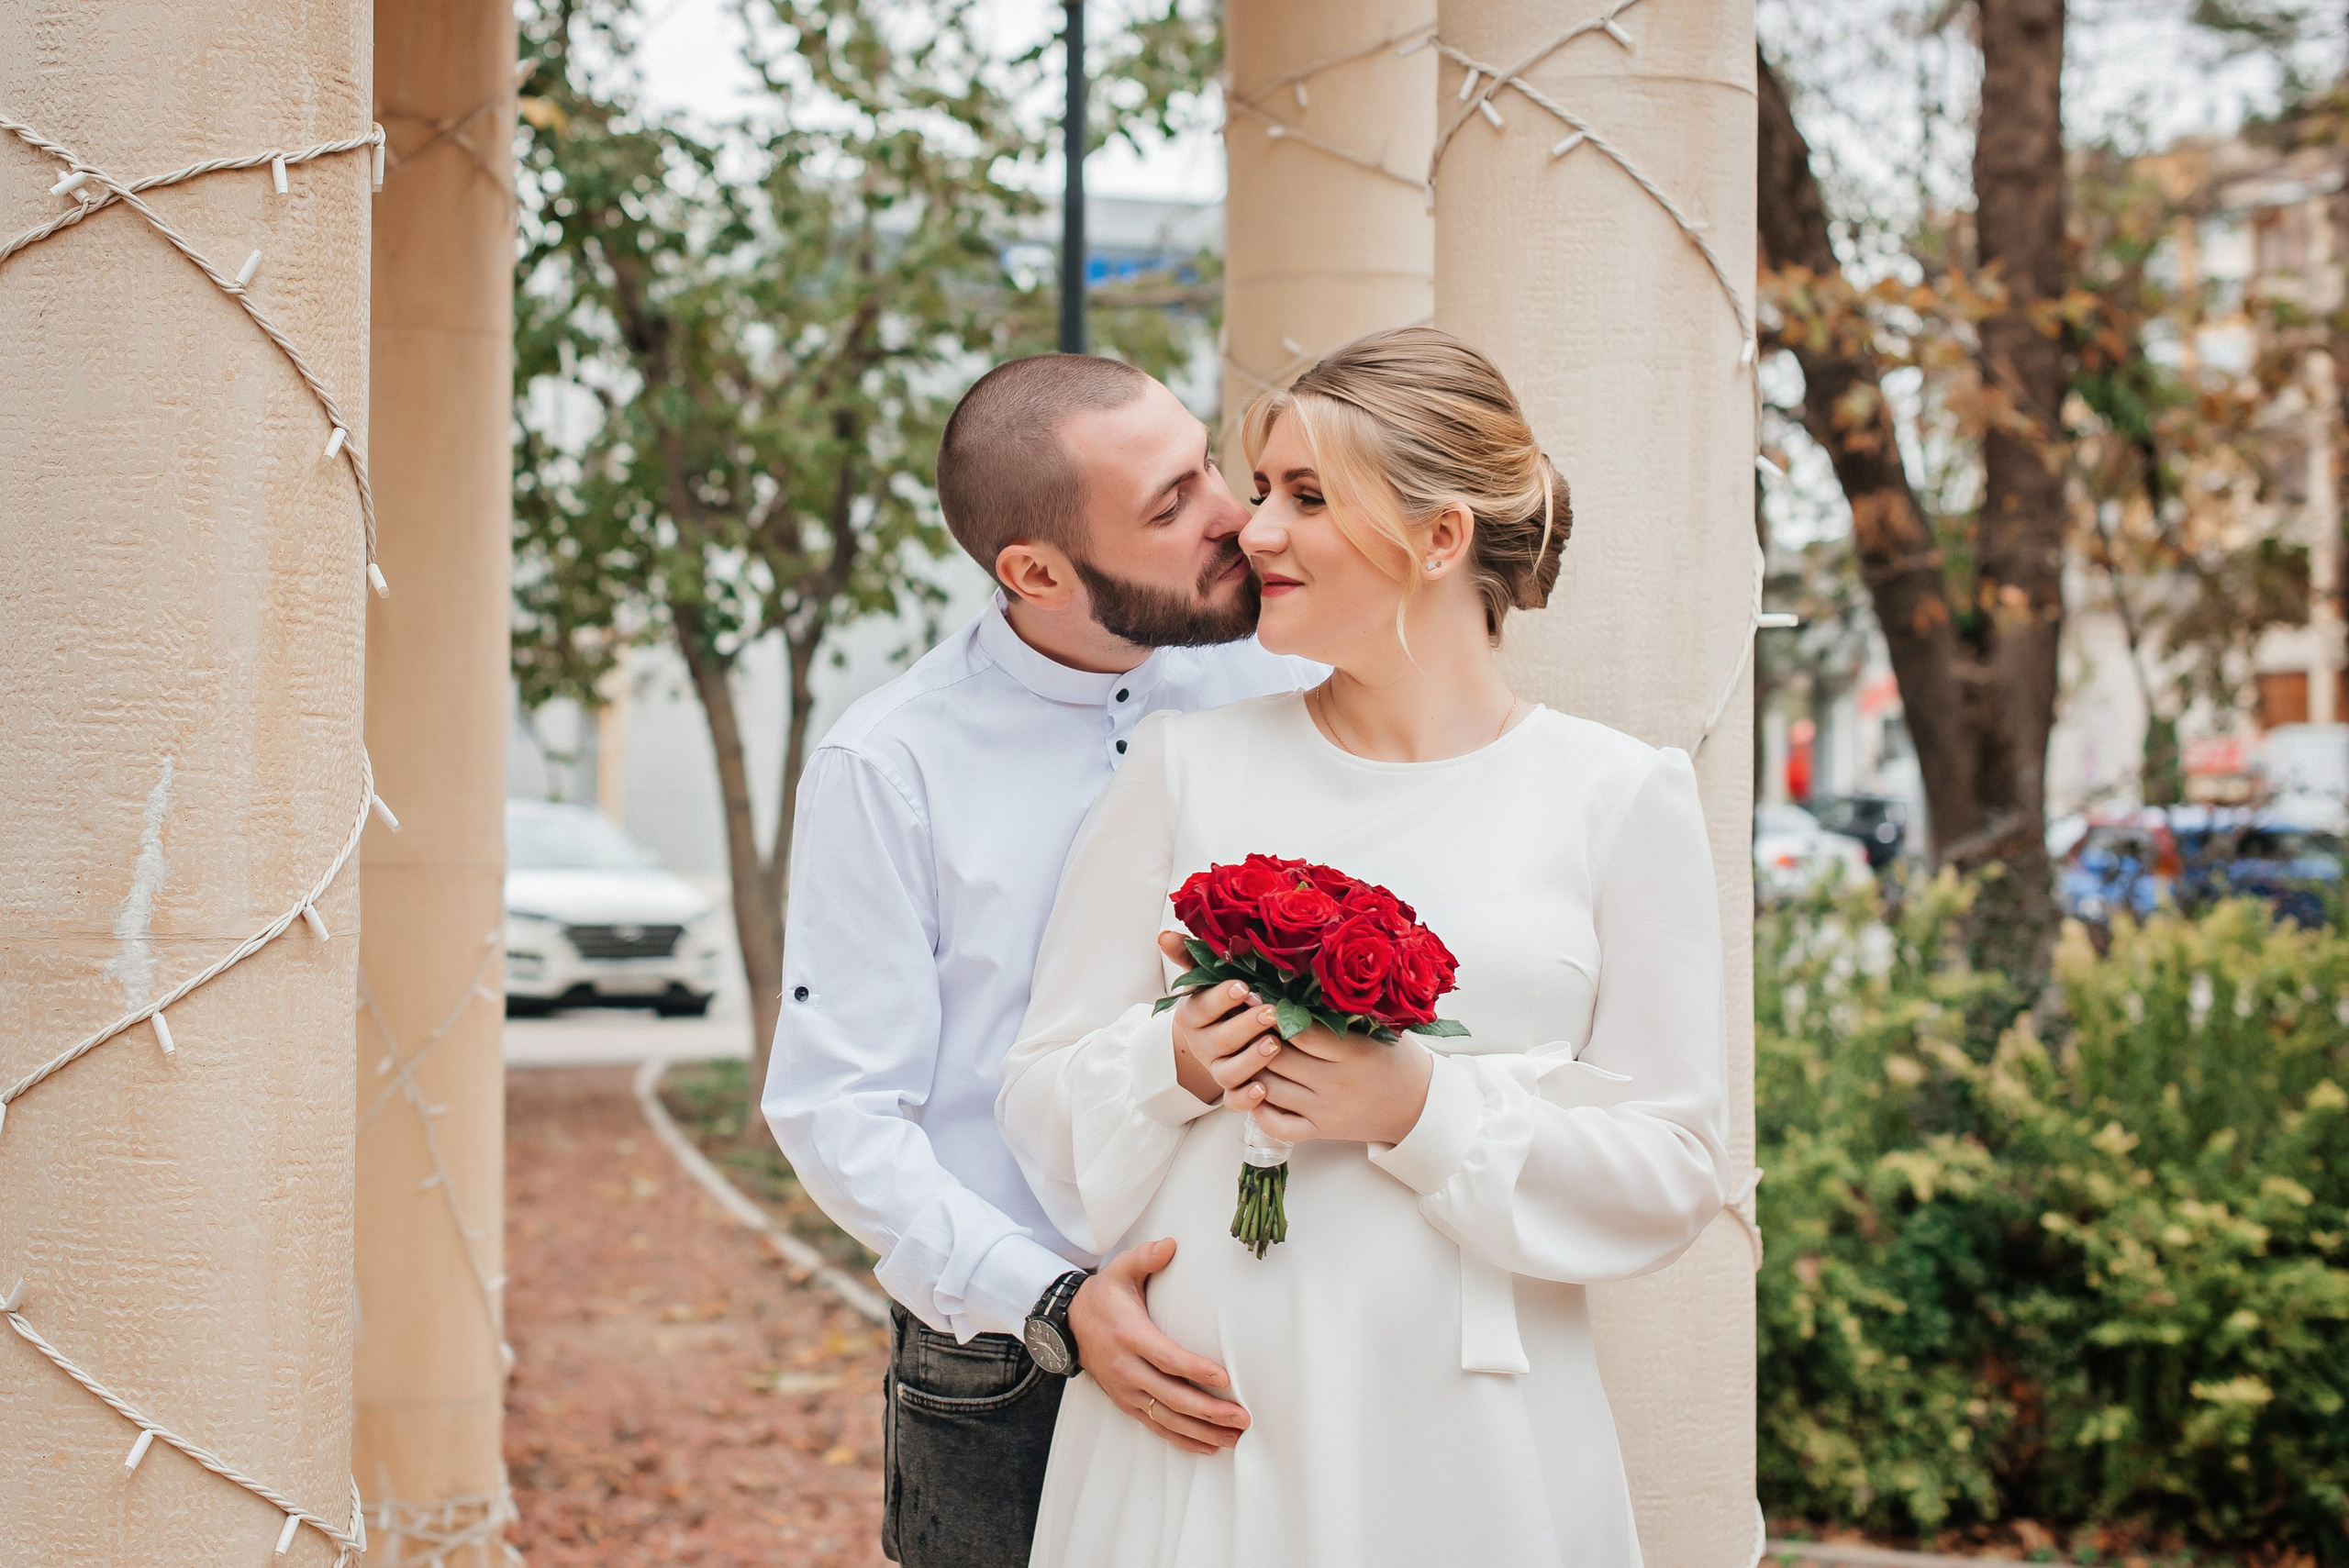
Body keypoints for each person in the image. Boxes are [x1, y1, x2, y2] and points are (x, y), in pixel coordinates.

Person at [997, 327, 1736, 1567]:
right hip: (1205, 1433)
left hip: (1467, 1445)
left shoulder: (1618, 796)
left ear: (1439, 537)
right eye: (1264, 489)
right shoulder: (1188, 768)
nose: (1255, 530)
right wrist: (1169, 1061)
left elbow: (1675, 1168)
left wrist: (1420, 1108)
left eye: (1307, 496)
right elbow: (1037, 1095)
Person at [763, 353, 1319, 1568]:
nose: (1233, 517)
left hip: (1259, 1314)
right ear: (1034, 571)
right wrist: (1052, 1305)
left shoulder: (1282, 679)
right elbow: (837, 1109)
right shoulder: (890, 766)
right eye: (1170, 505)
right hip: (1008, 1357)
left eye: (1207, 468)